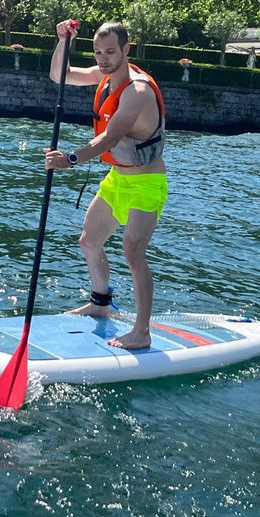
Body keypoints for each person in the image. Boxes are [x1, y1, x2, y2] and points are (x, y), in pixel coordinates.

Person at [44, 19, 168, 350]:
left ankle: (141, 332)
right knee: (89, 241)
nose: (103, 59)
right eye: (98, 52)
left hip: (147, 183)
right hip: (117, 180)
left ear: (126, 50)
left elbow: (110, 138)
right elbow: (60, 75)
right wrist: (62, 41)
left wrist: (68, 159)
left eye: (110, 52)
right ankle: (101, 301)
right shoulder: (104, 76)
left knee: (133, 251)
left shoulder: (137, 92)